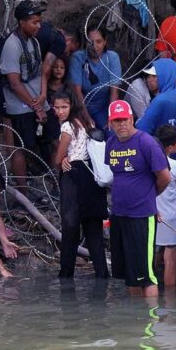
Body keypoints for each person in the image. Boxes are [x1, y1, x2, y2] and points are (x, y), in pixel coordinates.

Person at [106, 100, 171, 297]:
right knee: (129, 274)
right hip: (119, 214)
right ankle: (135, 321)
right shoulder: (111, 143)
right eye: (116, 121)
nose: (121, 124)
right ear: (110, 123)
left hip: (141, 215)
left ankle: (150, 322)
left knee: (147, 275)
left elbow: (165, 177)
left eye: (124, 119)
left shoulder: (146, 142)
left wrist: (149, 198)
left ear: (132, 118)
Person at [52, 91, 108, 279]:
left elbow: (58, 158)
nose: (59, 111)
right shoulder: (88, 123)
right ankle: (102, 275)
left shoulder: (68, 126)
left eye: (63, 107)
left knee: (70, 229)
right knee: (94, 231)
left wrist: (63, 159)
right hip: (92, 177)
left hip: (74, 177)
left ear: (72, 106)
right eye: (57, 107)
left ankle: (66, 277)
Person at [0, 0, 51, 188]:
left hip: (36, 99)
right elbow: (14, 83)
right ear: (22, 22)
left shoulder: (34, 42)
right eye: (34, 22)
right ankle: (22, 192)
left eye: (39, 22)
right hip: (21, 103)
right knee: (20, 147)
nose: (38, 26)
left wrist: (43, 96)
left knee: (50, 137)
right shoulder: (12, 46)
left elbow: (41, 72)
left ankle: (52, 180)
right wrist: (36, 106)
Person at [153, 124, 176, 288]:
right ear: (170, 147)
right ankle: (170, 295)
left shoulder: (149, 162)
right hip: (171, 215)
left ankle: (153, 286)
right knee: (171, 256)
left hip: (154, 213)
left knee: (156, 251)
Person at [69, 26, 121, 130]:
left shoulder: (112, 58)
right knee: (87, 136)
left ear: (105, 42)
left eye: (99, 41)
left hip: (103, 107)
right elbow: (77, 91)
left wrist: (111, 116)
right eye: (90, 42)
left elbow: (114, 91)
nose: (95, 46)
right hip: (82, 106)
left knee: (111, 132)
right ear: (86, 42)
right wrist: (86, 117)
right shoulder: (78, 58)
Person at [135, 58, 176, 135]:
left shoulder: (160, 100)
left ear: (165, 76)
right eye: (149, 76)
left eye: (155, 76)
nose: (150, 80)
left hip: (162, 146)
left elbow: (143, 128)